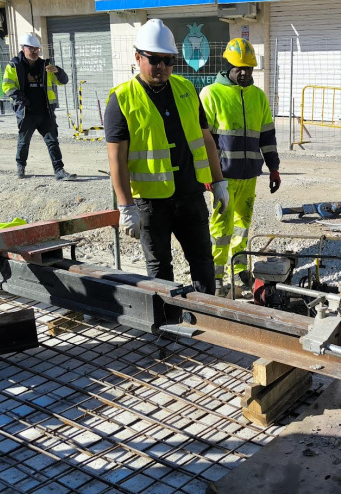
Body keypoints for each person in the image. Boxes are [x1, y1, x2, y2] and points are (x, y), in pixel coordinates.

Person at [105, 19, 228, 294]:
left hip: (190, 195)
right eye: (154, 59)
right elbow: (117, 159)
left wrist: (219, 182)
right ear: (138, 57)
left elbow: (206, 138)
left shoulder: (185, 89)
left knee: (202, 262)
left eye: (168, 60)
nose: (161, 66)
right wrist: (126, 207)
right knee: (160, 269)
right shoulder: (121, 99)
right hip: (151, 204)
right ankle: (166, 326)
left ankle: (207, 319)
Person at [199, 38, 280, 295]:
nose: (244, 73)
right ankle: (216, 274)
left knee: (242, 224)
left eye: (249, 68)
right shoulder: (211, 94)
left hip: (249, 175)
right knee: (220, 227)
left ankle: (239, 267)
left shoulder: (258, 97)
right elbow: (204, 139)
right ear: (228, 66)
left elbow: (267, 136)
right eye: (239, 68)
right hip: (222, 176)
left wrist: (274, 168)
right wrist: (208, 175)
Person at [2, 33, 76, 181]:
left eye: (37, 49)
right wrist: (22, 99)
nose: (35, 52)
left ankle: (59, 171)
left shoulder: (45, 66)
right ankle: (20, 167)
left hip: (45, 112)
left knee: (52, 141)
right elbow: (7, 86)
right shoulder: (14, 66)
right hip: (26, 112)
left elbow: (63, 81)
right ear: (23, 48)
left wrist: (58, 71)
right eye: (32, 49)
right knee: (24, 141)